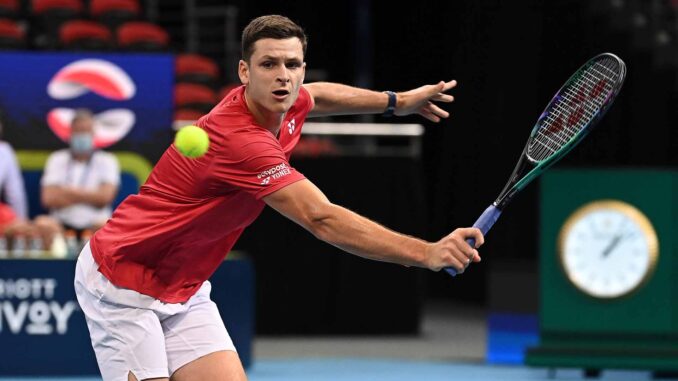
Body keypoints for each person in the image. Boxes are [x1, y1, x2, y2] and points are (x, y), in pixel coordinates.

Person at [74, 15, 485, 381]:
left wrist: (396, 102)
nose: (283, 76)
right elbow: (321, 218)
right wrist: (427, 252)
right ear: (244, 71)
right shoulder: (239, 140)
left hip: (183, 284)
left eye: (292, 65)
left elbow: (318, 96)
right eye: (268, 64)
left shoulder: (288, 101)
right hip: (123, 279)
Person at [40, 109, 120, 238]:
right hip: (61, 224)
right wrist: (92, 195)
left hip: (95, 224)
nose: (82, 135)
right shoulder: (56, 159)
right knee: (43, 224)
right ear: (70, 133)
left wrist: (66, 192)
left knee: (107, 226)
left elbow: (105, 198)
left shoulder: (107, 160)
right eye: (78, 131)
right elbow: (48, 198)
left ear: (93, 133)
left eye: (85, 131)